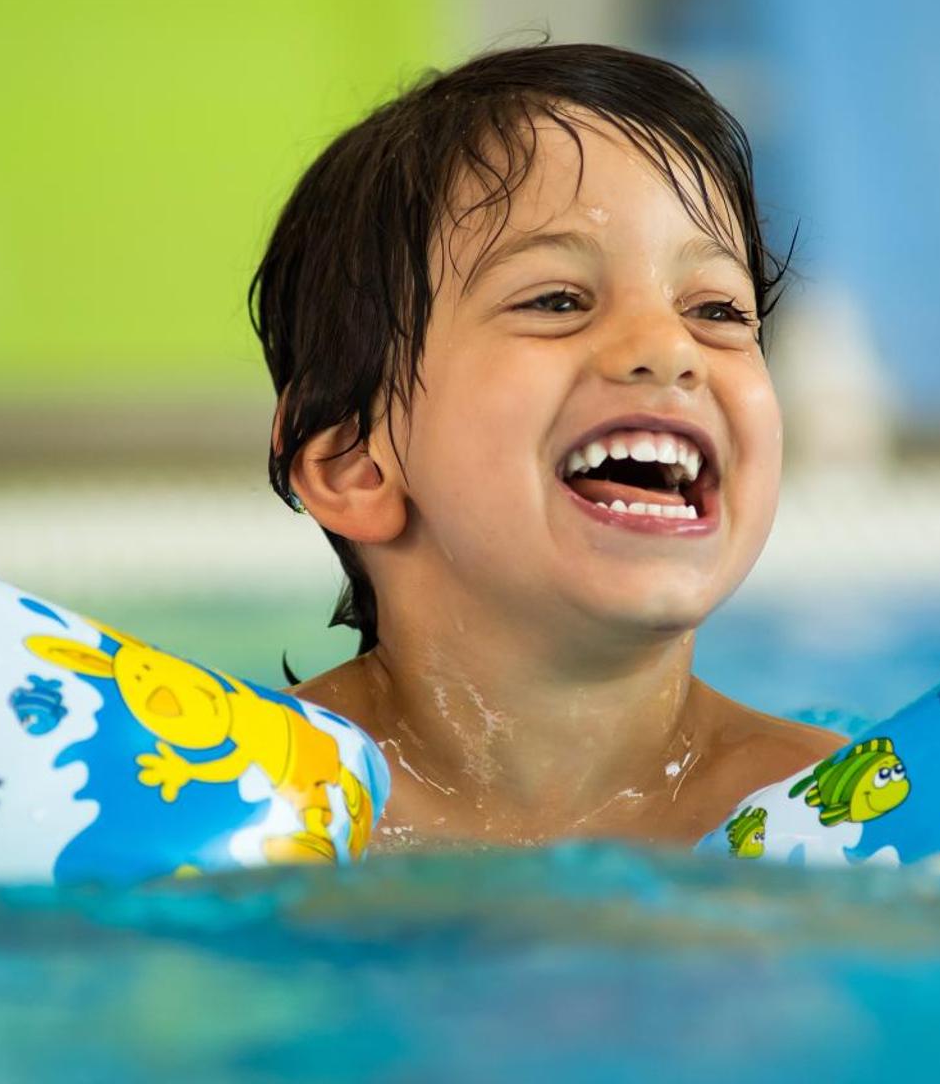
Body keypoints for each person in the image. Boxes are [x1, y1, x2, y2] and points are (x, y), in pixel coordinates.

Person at [251, 43, 841, 852]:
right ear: (355, 462)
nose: (668, 349)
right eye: (558, 300)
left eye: (718, 311)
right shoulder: (246, 797)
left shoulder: (839, 809)